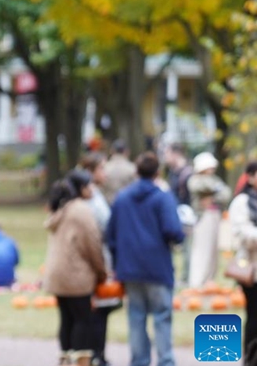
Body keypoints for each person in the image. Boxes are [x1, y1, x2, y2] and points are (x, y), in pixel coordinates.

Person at [107, 152, 185, 366]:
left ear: (136, 172)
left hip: (130, 268)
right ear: (157, 172)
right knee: (161, 316)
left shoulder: (121, 199)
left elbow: (110, 235)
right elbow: (173, 230)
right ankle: (165, 361)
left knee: (136, 317)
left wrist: (117, 263)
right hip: (157, 267)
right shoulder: (162, 197)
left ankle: (139, 361)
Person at [42, 169, 106, 366]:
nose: (93, 188)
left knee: (67, 319)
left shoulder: (62, 208)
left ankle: (65, 359)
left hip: (57, 274)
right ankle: (81, 361)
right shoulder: (81, 210)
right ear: (81, 188)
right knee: (82, 320)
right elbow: (92, 245)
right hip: (76, 274)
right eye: (89, 185)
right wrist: (101, 272)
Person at [78, 153, 116, 366]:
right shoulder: (89, 197)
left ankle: (98, 353)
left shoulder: (97, 195)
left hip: (102, 258)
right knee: (97, 311)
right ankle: (94, 354)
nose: (106, 173)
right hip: (95, 260)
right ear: (91, 172)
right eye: (102, 168)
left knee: (103, 309)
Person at [187, 151, 231, 289]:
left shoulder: (215, 180)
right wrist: (214, 190)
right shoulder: (195, 179)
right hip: (203, 216)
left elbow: (226, 193)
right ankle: (197, 281)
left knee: (213, 250)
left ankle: (209, 280)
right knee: (202, 249)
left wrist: (212, 197)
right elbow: (199, 187)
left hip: (215, 215)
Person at [227, 160, 257, 361]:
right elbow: (242, 233)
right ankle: (250, 358)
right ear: (251, 176)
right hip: (252, 271)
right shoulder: (241, 202)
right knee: (254, 316)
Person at [163, 143, 195, 286]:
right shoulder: (172, 172)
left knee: (187, 246)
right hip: (174, 213)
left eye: (167, 154)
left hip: (185, 214)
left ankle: (186, 277)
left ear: (176, 154)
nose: (165, 157)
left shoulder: (187, 173)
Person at [101, 139, 137, 204]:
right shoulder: (133, 168)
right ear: (127, 152)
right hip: (126, 206)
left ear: (112, 151)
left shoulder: (103, 168)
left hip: (107, 206)